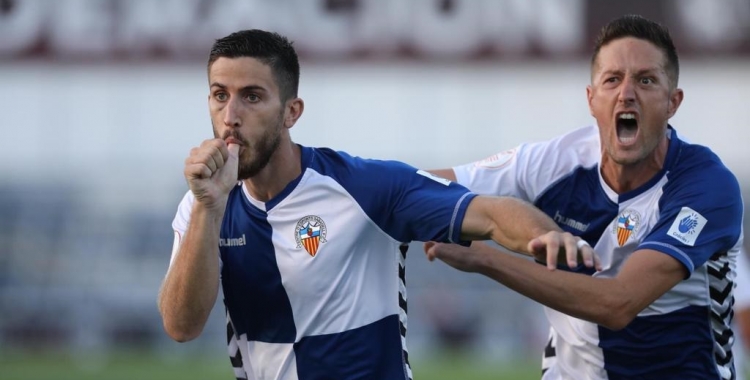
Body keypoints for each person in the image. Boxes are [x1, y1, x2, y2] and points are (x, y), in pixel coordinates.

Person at [156, 29, 593, 380]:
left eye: (252, 96)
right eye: (219, 95)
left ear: (292, 112)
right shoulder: (202, 205)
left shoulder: (364, 187)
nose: (231, 115)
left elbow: (490, 214)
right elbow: (181, 326)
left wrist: (547, 236)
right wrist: (207, 209)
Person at [424, 14, 744, 380]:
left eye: (646, 80)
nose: (627, 93)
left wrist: (487, 260)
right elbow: (425, 187)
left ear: (673, 102)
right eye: (612, 80)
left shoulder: (706, 187)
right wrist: (353, 184)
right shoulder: (554, 162)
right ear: (592, 100)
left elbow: (618, 303)